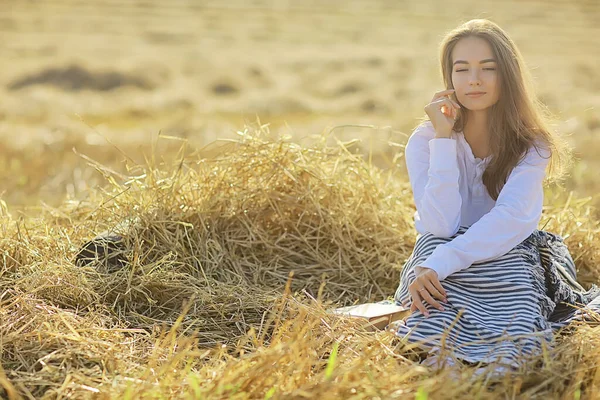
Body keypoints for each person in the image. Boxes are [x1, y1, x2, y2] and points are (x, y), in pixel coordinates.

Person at [389, 19, 600, 373]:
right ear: (449, 78)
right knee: (433, 299)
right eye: (462, 69)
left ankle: (501, 365)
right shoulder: (426, 141)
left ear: (508, 76)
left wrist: (442, 262)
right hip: (438, 251)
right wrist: (443, 141)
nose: (474, 79)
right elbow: (440, 225)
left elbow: (511, 220)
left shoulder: (532, 143)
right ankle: (443, 363)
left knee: (514, 307)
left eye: (489, 68)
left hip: (507, 247)